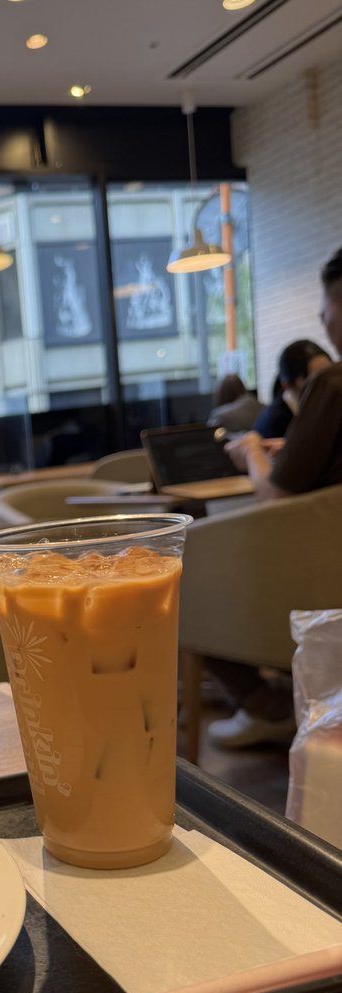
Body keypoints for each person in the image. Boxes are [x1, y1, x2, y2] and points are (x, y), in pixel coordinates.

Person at [204, 249, 342, 749]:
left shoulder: (332, 385)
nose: (322, 317)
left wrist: (253, 451)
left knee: (191, 569)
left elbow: (275, 493)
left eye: (325, 305)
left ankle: (263, 704)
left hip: (317, 587)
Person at [253, 340, 333, 439]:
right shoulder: (275, 423)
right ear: (287, 385)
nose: (327, 387)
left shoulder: (326, 409)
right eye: (316, 382)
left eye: (330, 375)